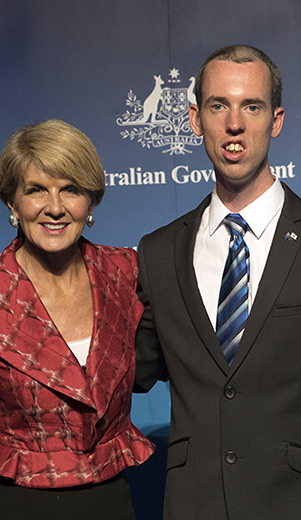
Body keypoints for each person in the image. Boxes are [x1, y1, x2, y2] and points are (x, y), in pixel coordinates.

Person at [0, 119, 154, 520]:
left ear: (91, 200)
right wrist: (18, 421)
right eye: (36, 190)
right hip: (19, 502)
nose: (54, 207)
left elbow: (151, 360)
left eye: (70, 189)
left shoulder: (125, 271)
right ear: (11, 203)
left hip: (111, 499)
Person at [133, 44, 301, 519]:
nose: (234, 124)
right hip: (194, 503)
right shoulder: (159, 251)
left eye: (252, 106)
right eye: (218, 106)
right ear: (194, 119)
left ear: (277, 120)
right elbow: (129, 370)